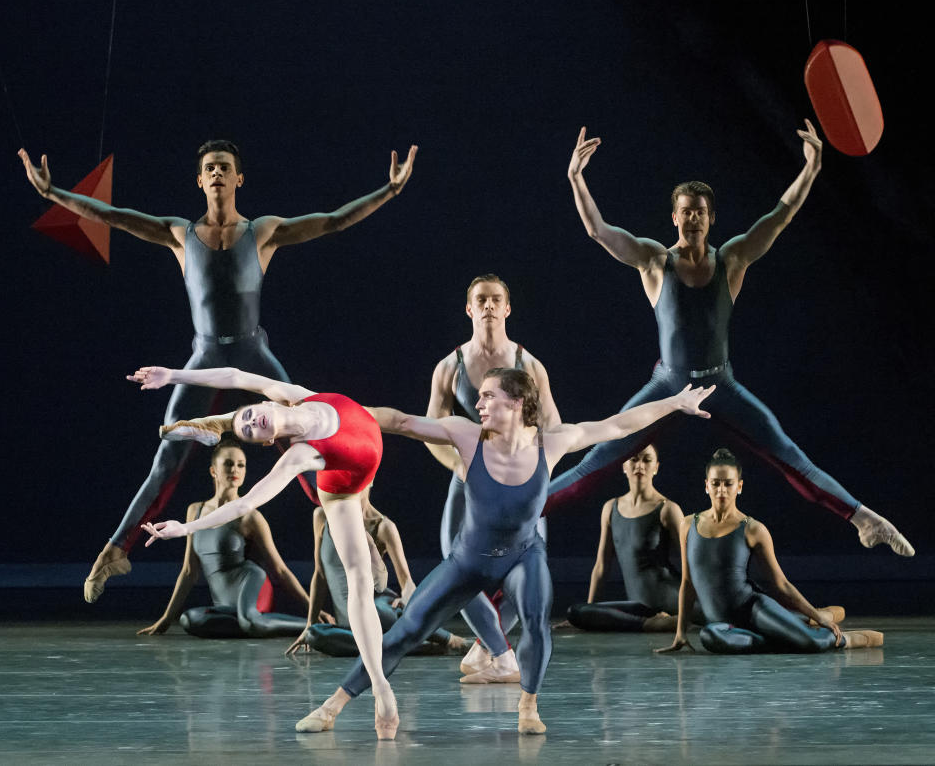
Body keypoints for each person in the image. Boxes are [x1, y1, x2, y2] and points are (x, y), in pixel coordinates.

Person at [18, 140, 417, 601]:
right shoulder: (177, 233)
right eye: (209, 168)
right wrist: (55, 195)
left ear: (238, 179)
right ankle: (115, 550)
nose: (217, 174)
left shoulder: (263, 232)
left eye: (225, 168)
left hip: (252, 355)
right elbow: (113, 216)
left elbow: (331, 221)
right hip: (205, 355)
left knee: (309, 432)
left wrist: (387, 191)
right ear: (200, 179)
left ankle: (363, 520)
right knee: (169, 452)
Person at [553, 122, 912, 556]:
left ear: (711, 217)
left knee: (791, 457)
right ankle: (514, 512)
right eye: (685, 210)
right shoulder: (654, 261)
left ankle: (865, 519)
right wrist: (576, 177)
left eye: (700, 211)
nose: (693, 217)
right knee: (597, 459)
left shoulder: (733, 258)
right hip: (668, 386)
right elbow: (599, 231)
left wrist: (813, 167)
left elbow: (782, 215)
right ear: (674, 217)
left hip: (720, 386)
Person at [295, 368, 714, 737]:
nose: (478, 403)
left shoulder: (552, 442)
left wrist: (676, 402)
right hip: (467, 561)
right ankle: (332, 706)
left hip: (521, 556)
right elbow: (402, 421)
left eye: (488, 396)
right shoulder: (466, 435)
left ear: (516, 402)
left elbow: (619, 425)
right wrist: (333, 417)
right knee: (405, 632)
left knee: (535, 619)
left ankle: (527, 706)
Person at [130, 364, 399, 740]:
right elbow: (244, 505)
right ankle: (381, 689)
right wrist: (185, 528)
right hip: (340, 485)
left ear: (260, 405)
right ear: (264, 441)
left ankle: (366, 535)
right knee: (360, 581)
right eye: (249, 430)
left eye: (248, 416)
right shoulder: (298, 457)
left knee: (399, 427)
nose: (253, 422)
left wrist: (174, 376)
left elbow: (235, 375)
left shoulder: (294, 393)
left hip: (364, 456)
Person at [426, 274, 561, 681]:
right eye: (480, 299)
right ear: (470, 309)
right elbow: (432, 427)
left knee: (529, 563)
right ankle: (502, 654)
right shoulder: (450, 367)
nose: (488, 305)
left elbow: (552, 422)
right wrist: (458, 466)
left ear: (507, 308)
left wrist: (536, 467)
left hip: (519, 480)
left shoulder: (529, 365)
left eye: (495, 299)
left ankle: (489, 649)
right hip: (470, 477)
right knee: (457, 564)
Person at [657, 449, 882, 655]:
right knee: (709, 637)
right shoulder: (688, 525)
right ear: (707, 485)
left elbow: (780, 584)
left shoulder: (753, 529)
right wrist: (680, 633)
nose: (722, 490)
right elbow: (687, 583)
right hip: (722, 625)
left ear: (740, 486)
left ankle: (844, 639)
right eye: (716, 483)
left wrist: (816, 615)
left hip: (754, 609)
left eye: (728, 483)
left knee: (812, 644)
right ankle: (790, 633)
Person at [138, 438, 313, 638]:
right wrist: (166, 619)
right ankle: (252, 624)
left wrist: (313, 612)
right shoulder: (196, 511)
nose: (235, 470)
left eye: (241, 465)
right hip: (224, 603)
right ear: (214, 471)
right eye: (228, 464)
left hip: (251, 585)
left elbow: (280, 570)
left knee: (248, 621)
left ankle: (307, 626)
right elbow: (189, 571)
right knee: (189, 620)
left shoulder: (249, 516)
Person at [284, 490, 466, 657]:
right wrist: (310, 621)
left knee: (383, 611)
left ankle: (448, 639)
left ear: (369, 480)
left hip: (380, 610)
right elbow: (320, 574)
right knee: (314, 635)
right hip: (348, 623)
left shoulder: (383, 526)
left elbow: (407, 583)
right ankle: (413, 646)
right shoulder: (323, 517)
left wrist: (406, 599)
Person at [565, 444, 704, 632]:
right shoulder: (610, 508)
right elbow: (601, 566)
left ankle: (675, 619)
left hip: (670, 598)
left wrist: (702, 596)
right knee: (577, 612)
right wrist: (591, 612)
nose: (640, 465)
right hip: (640, 606)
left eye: (647, 460)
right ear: (624, 466)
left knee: (713, 614)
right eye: (634, 459)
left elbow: (691, 562)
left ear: (656, 467)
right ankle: (653, 624)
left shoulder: (668, 509)